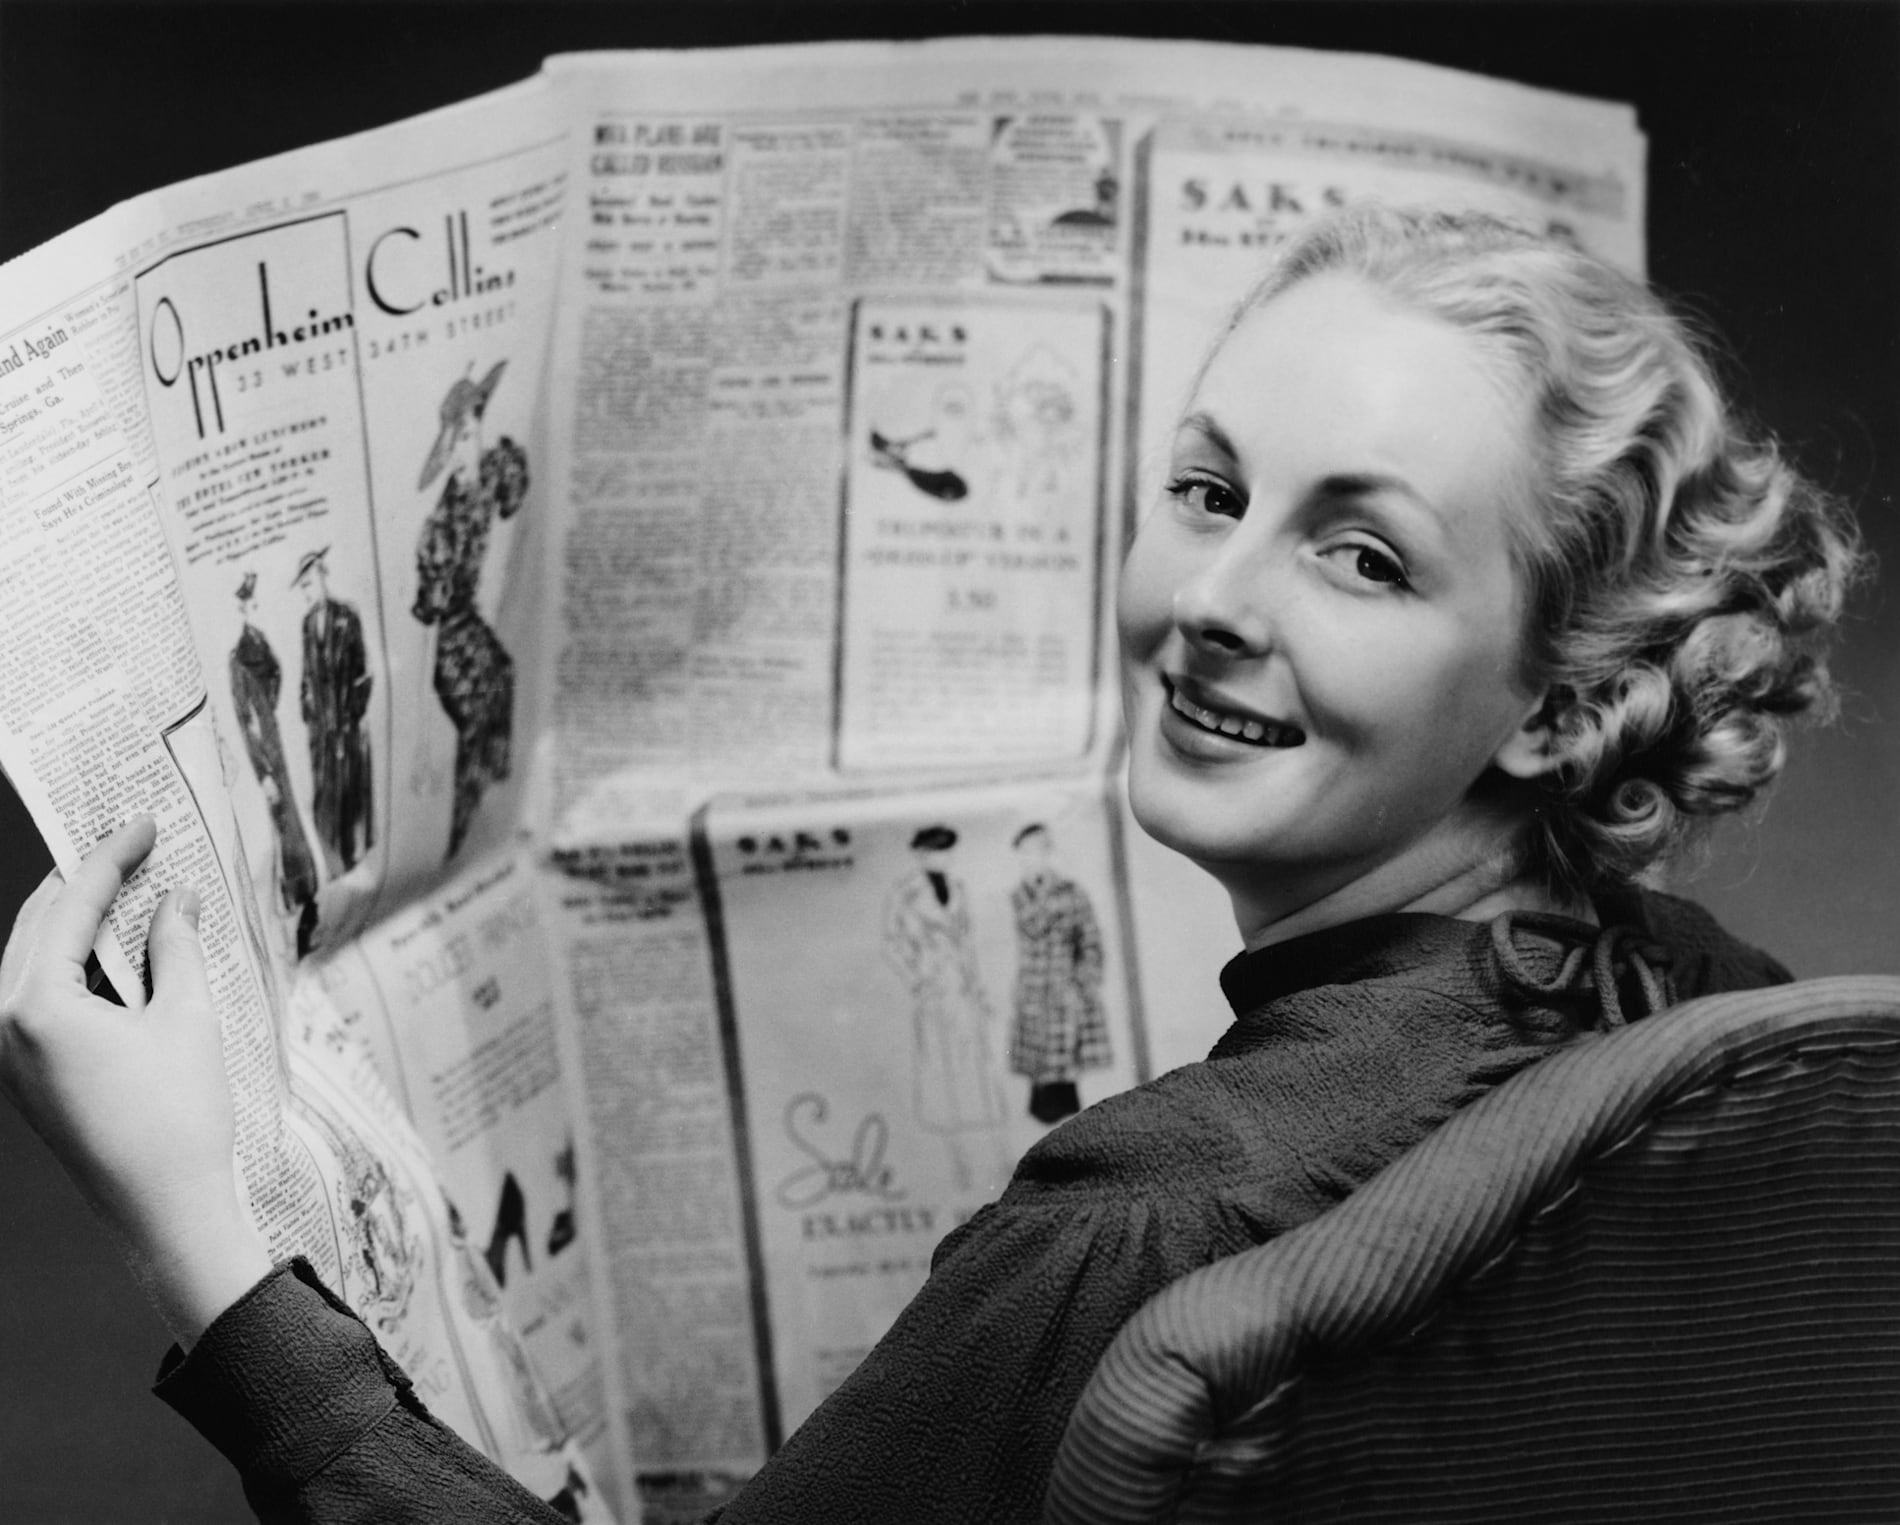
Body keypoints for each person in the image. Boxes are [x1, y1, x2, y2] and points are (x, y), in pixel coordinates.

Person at [0, 204, 1865, 1523]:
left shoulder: (1148, 1223)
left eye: (1362, 557)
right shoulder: (1740, 1028)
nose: (1210, 606)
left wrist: (203, 1236)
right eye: (1211, 494)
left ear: (1558, 703)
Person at [413, 360, 530, 861]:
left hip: (475, 626)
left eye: (468, 432)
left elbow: (512, 501)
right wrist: (419, 729)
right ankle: (464, 837)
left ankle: (484, 823)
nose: (463, 448)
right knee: (486, 696)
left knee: (503, 675)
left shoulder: (493, 474)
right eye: (454, 440)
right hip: (451, 641)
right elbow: (428, 620)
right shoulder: (442, 521)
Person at [229, 571, 321, 957]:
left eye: (257, 602)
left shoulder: (261, 643)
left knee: (294, 825)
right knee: (282, 831)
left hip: (277, 740)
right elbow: (243, 717)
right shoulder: (239, 657)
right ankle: (298, 905)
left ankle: (307, 901)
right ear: (242, 608)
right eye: (251, 603)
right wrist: (264, 772)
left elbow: (276, 680)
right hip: (264, 752)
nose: (257, 607)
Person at [1006, 822, 1109, 1124]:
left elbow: (1090, 939)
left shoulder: (1073, 892)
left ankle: (1069, 1120)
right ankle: (1043, 1120)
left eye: (1038, 850)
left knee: (1065, 1062)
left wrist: (1085, 981)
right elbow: (1032, 925)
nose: (1031, 858)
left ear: (1049, 852)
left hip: (1066, 989)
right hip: (1034, 990)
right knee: (1040, 1064)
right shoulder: (1020, 894)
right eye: (1024, 852)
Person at [295, 546, 376, 875]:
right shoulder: (307, 624)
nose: (306, 591)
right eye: (302, 586)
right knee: (324, 798)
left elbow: (362, 673)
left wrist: (352, 716)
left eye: (309, 583)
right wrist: (308, 710)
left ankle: (351, 861)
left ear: (322, 578)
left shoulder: (347, 617)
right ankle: (332, 865)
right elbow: (305, 675)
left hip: (345, 725)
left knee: (348, 795)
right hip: (321, 732)